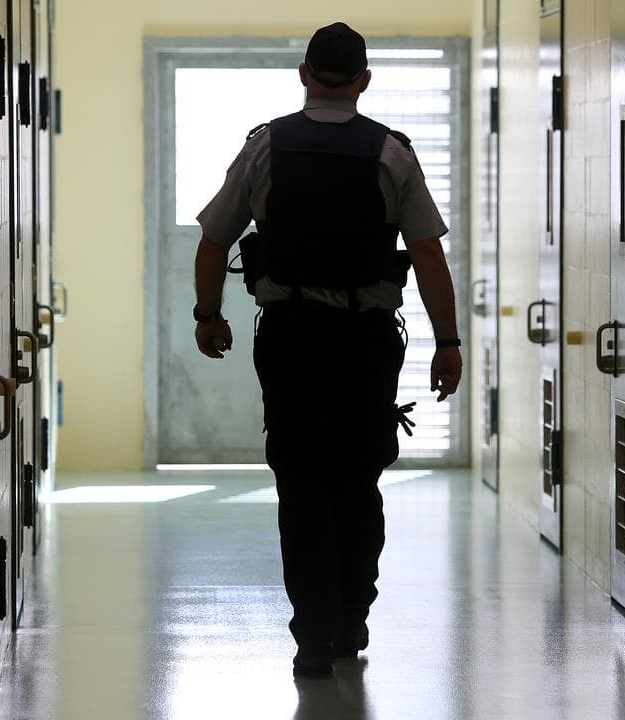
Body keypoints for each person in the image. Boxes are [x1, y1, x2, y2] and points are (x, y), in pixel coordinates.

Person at [191, 21, 461, 678]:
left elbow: (213, 238)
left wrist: (209, 315)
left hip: (290, 339)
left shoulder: (266, 147)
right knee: (357, 481)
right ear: (364, 80)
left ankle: (313, 635)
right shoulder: (391, 153)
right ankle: (352, 620)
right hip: (367, 347)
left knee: (301, 485)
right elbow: (425, 251)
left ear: (305, 75)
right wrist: (447, 342)